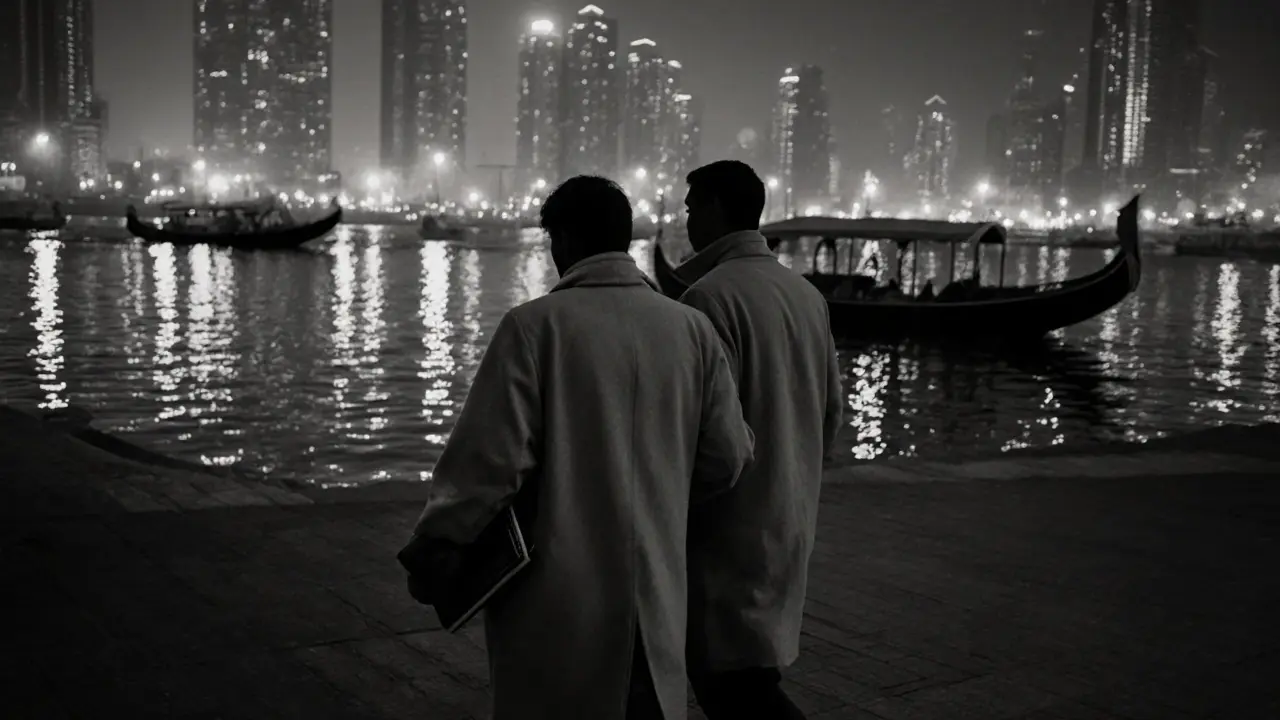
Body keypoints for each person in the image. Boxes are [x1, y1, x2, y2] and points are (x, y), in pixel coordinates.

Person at [407, 175, 755, 720]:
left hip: (557, 597)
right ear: (623, 238)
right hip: (656, 587)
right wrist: (662, 494)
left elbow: (487, 468)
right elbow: (728, 457)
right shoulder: (692, 330)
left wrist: (439, 541)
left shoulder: (533, 327)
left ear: (562, 241)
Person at [676, 160, 844, 719]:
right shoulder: (806, 296)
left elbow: (712, 441)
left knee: (730, 688)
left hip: (731, 526)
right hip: (791, 512)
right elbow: (832, 417)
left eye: (693, 205)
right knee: (755, 671)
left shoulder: (707, 299)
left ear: (721, 209)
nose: (686, 216)